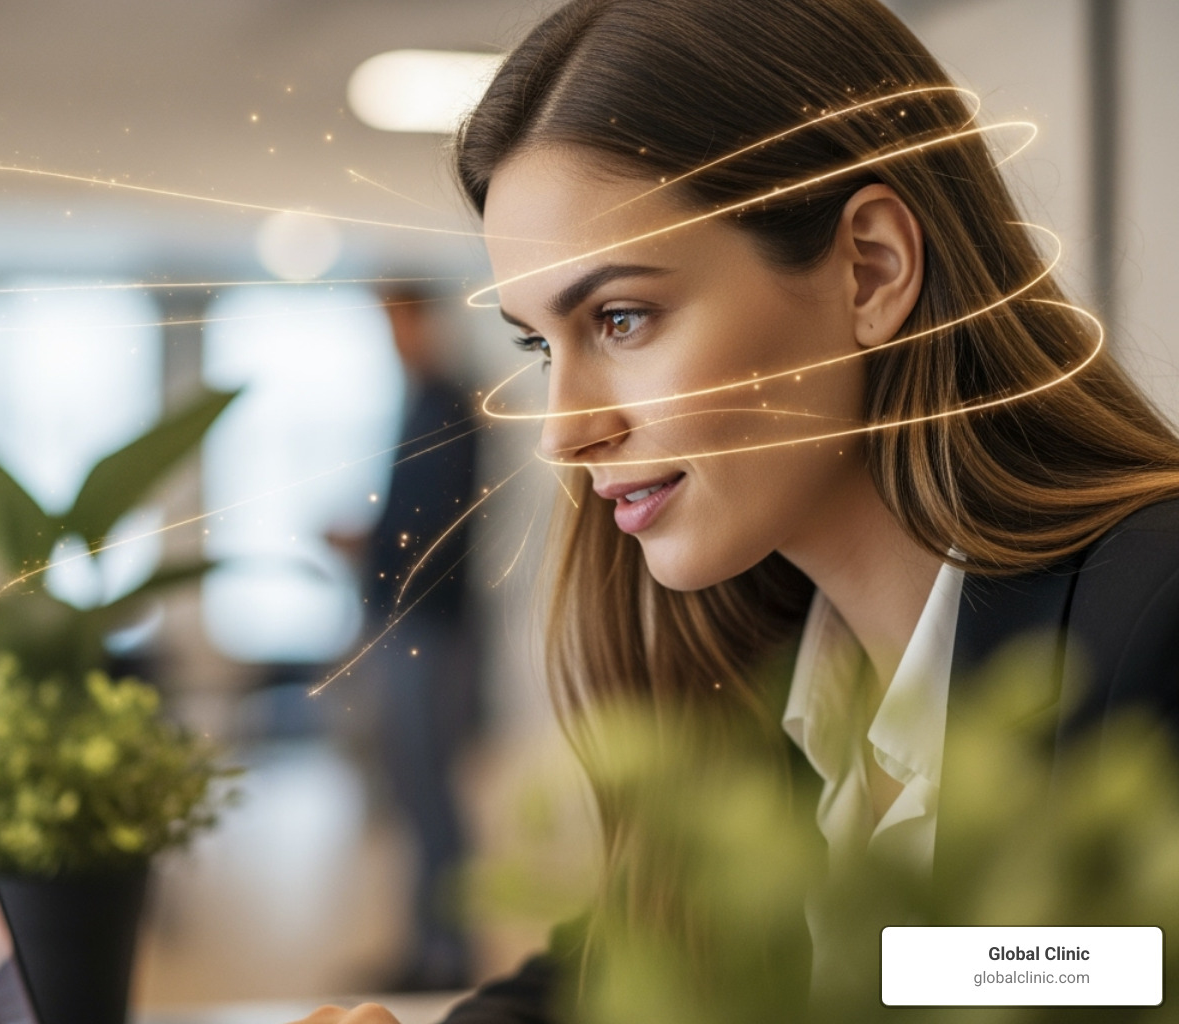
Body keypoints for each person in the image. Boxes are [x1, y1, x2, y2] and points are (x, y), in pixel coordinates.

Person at [290, 1, 1179, 1021]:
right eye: (539, 346)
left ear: (872, 270)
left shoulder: (1155, 617)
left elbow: (1130, 966)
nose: (563, 433)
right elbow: (623, 965)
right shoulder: (752, 671)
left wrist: (885, 964)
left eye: (622, 318)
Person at [357, 288, 482, 991]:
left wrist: (371, 548)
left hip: (428, 626)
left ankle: (447, 955)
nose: (391, 336)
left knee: (429, 790)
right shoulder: (422, 403)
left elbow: (435, 530)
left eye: (397, 320)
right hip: (411, 623)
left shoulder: (446, 406)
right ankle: (429, 945)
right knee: (414, 788)